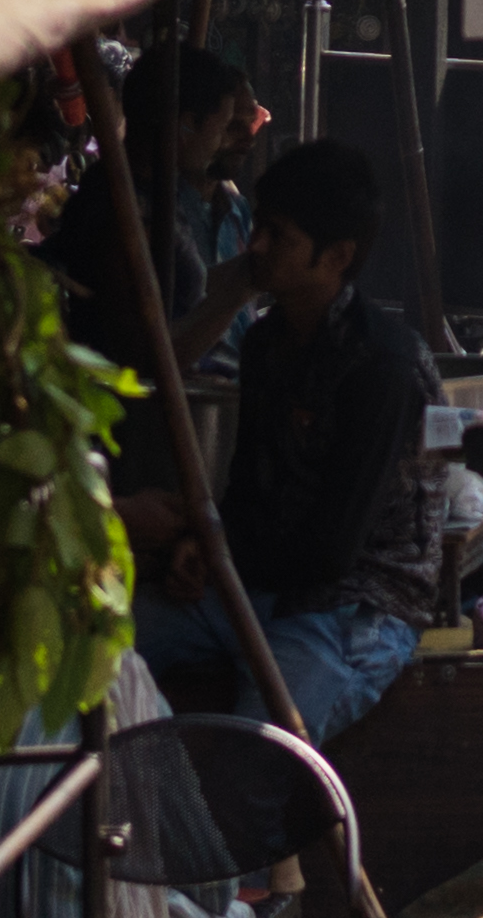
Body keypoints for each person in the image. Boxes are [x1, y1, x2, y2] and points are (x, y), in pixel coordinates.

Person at [131, 136, 434, 742]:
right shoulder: (266, 344)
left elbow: (330, 551)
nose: (258, 248)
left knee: (252, 760)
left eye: (281, 237)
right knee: (106, 640)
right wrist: (200, 546)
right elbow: (248, 489)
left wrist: (219, 555)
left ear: (338, 256)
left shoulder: (383, 367)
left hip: (352, 605)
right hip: (256, 584)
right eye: (260, 228)